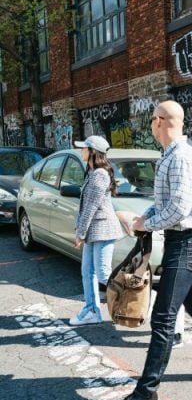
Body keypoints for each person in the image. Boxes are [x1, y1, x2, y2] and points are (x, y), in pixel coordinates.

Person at [114, 101, 192, 400]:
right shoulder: (172, 155)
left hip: (185, 243)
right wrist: (143, 219)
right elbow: (163, 203)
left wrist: (146, 224)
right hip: (184, 240)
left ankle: (146, 393)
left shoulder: (180, 158)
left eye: (153, 120)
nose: (151, 126)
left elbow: (178, 209)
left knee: (163, 318)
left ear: (161, 122)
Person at [69, 135, 120, 326]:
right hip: (94, 231)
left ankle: (142, 297)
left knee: (103, 273)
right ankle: (91, 310)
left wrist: (80, 234)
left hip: (103, 230)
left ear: (92, 152)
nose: (81, 151)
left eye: (84, 148)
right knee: (87, 271)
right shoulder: (91, 172)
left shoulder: (100, 175)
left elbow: (90, 206)